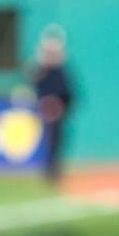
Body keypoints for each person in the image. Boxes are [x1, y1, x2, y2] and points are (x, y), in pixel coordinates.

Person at [31, 27, 77, 185]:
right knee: (47, 143)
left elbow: (70, 92)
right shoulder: (41, 71)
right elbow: (36, 89)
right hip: (45, 113)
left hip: (59, 114)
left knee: (58, 143)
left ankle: (55, 171)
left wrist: (62, 106)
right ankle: (48, 172)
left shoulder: (62, 71)